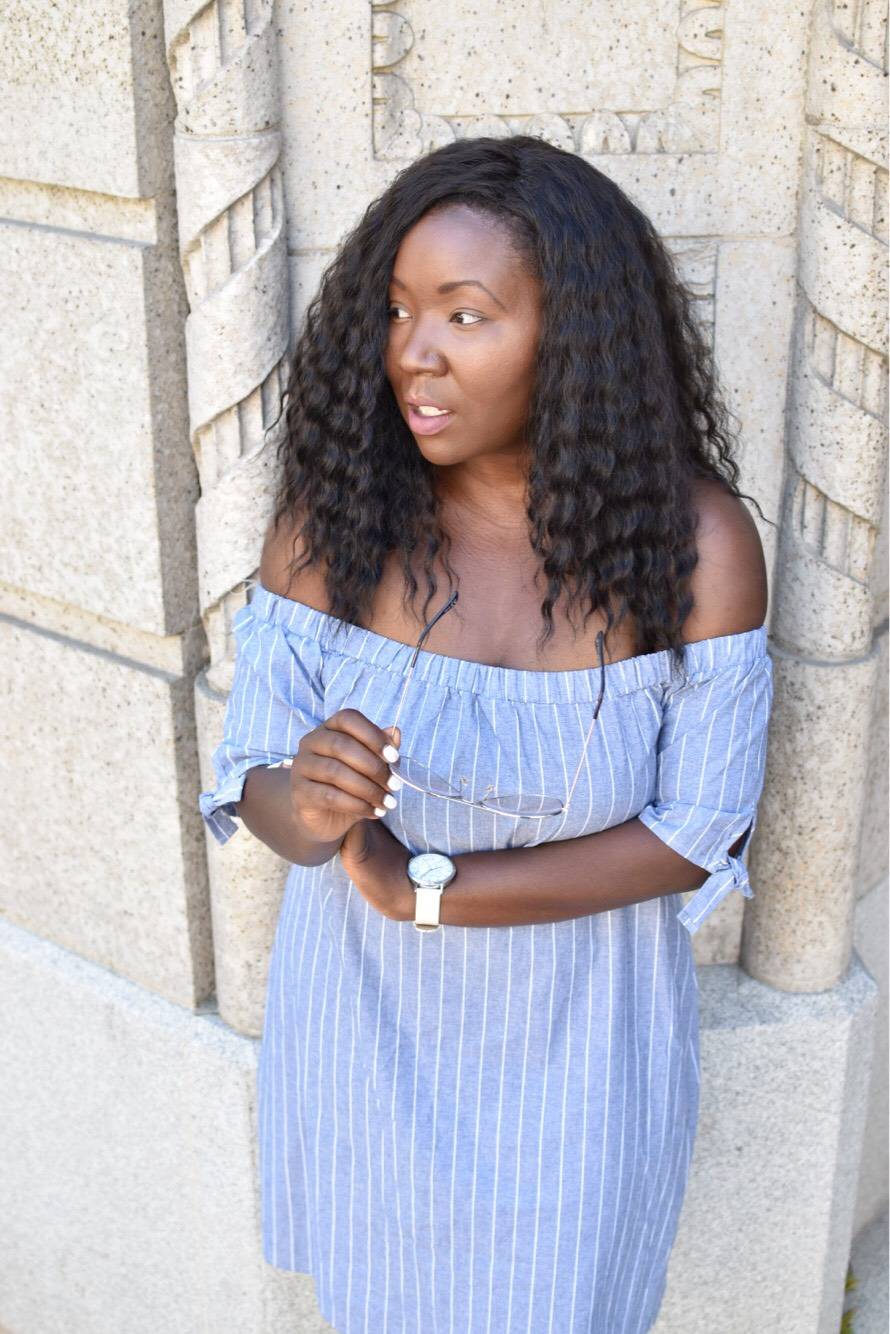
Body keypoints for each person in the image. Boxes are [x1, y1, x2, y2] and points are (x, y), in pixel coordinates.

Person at [199, 134, 774, 1333]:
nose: (414, 350)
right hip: (368, 1037)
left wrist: (427, 888)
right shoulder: (333, 531)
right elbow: (251, 783)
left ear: (573, 336)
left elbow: (694, 831)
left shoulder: (694, 551)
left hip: (579, 1055)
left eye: (465, 314)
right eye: (400, 309)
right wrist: (303, 804)